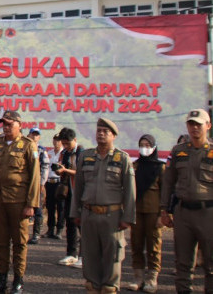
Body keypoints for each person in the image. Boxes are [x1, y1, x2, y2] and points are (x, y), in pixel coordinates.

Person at [70, 118, 135, 294]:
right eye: (99, 130)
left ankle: (110, 288)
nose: (101, 134)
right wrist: (75, 211)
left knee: (112, 256)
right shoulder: (86, 156)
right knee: (90, 255)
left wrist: (128, 217)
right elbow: (79, 187)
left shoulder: (122, 158)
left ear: (113, 135)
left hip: (112, 215)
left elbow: (130, 190)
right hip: (89, 214)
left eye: (105, 131)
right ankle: (92, 287)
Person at [0, 111, 40, 294]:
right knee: (0, 241)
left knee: (19, 242)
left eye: (9, 124)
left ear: (19, 125)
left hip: (18, 200)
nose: (6, 127)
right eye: (4, 124)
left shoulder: (28, 145)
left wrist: (31, 204)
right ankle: (1, 279)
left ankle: (18, 280)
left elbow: (35, 177)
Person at [160, 108, 213, 294]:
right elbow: (168, 182)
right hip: (184, 213)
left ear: (208, 126)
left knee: (211, 265)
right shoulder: (178, 151)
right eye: (191, 124)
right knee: (183, 264)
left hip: (208, 212)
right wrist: (164, 210)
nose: (194, 128)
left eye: (198, 124)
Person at [125, 134, 164, 293]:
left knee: (154, 246)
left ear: (154, 147)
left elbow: (165, 192)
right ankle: (138, 278)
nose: (145, 147)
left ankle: (151, 279)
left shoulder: (160, 168)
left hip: (154, 213)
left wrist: (163, 214)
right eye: (142, 144)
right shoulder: (135, 166)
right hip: (137, 212)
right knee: (136, 244)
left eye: (148, 144)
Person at [55, 127, 84, 267]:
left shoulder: (83, 153)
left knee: (82, 225)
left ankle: (84, 256)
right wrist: (60, 170)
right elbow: (63, 169)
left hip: (81, 193)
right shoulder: (64, 153)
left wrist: (66, 170)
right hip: (68, 192)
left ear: (75, 140)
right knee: (70, 223)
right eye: (64, 143)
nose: (66, 146)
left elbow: (82, 173)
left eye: (68, 143)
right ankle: (71, 253)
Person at [26, 127, 49, 245]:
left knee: (38, 209)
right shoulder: (25, 147)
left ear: (39, 137)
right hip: (25, 183)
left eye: (36, 135)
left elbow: (45, 167)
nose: (34, 137)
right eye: (32, 134)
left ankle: (36, 234)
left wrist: (41, 183)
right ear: (28, 135)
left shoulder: (41, 150)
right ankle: (23, 233)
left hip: (37, 183)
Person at [44, 133, 65, 240]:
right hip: (49, 182)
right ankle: (50, 229)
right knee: (50, 206)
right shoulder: (49, 153)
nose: (56, 142)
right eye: (55, 140)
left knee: (61, 207)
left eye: (58, 140)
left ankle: (59, 229)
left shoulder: (64, 153)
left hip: (59, 182)